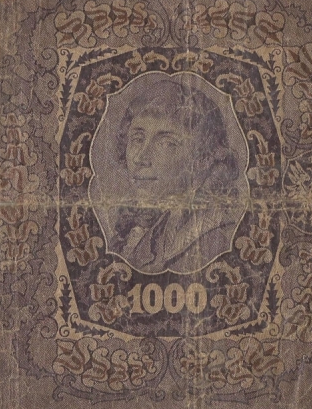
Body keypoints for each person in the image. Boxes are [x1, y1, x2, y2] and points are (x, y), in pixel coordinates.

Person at [90, 72, 249, 275]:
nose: (141, 158)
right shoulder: (142, 229)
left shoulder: (212, 239)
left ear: (202, 159)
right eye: (137, 139)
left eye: (166, 143)